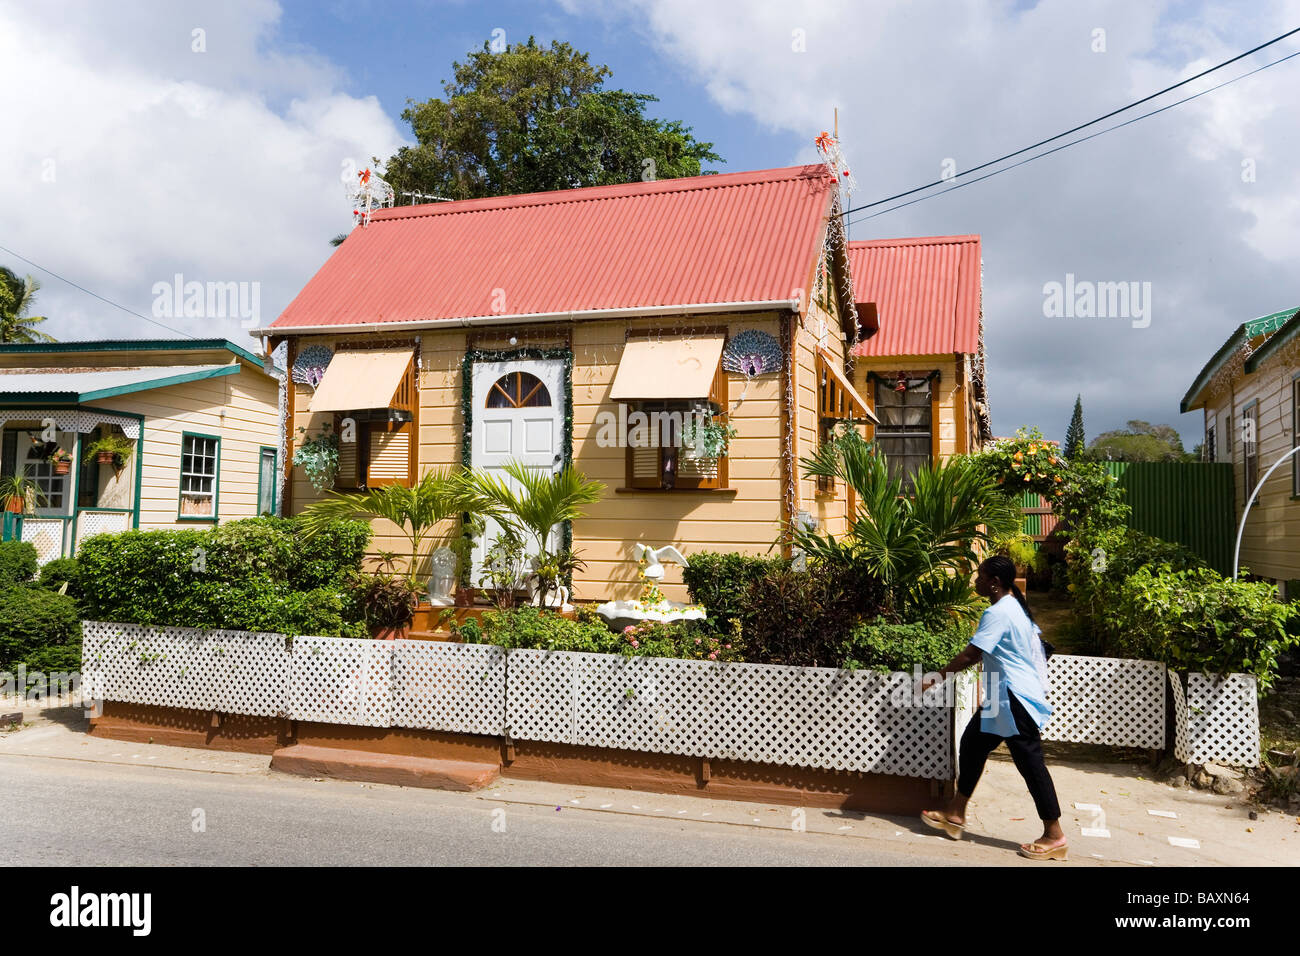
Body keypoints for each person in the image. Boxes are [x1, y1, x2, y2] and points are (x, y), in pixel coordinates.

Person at [919, 555, 1067, 861]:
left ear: (994, 583)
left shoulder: (999, 612)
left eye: (980, 577)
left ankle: (1054, 836)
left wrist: (935, 677)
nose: (976, 582)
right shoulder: (1013, 605)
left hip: (1014, 698)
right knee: (972, 744)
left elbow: (971, 655)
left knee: (1030, 764)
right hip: (1004, 697)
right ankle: (956, 814)